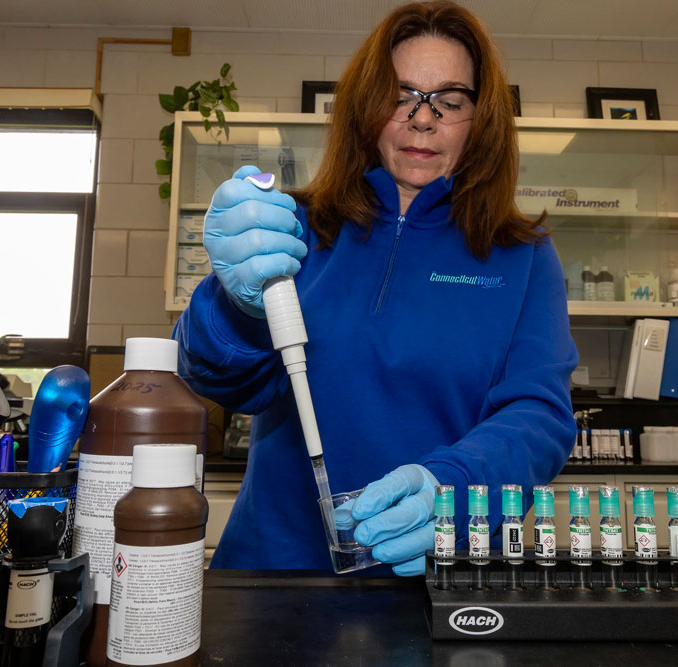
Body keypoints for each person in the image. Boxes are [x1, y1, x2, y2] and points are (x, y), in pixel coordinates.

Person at [173, 0, 578, 575]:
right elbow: (221, 380)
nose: (423, 119)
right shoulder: (299, 228)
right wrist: (234, 306)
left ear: (479, 119)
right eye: (401, 95)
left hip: (431, 576)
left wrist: (453, 490)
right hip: (274, 574)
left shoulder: (522, 254)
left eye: (451, 101)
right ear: (367, 108)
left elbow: (540, 414)